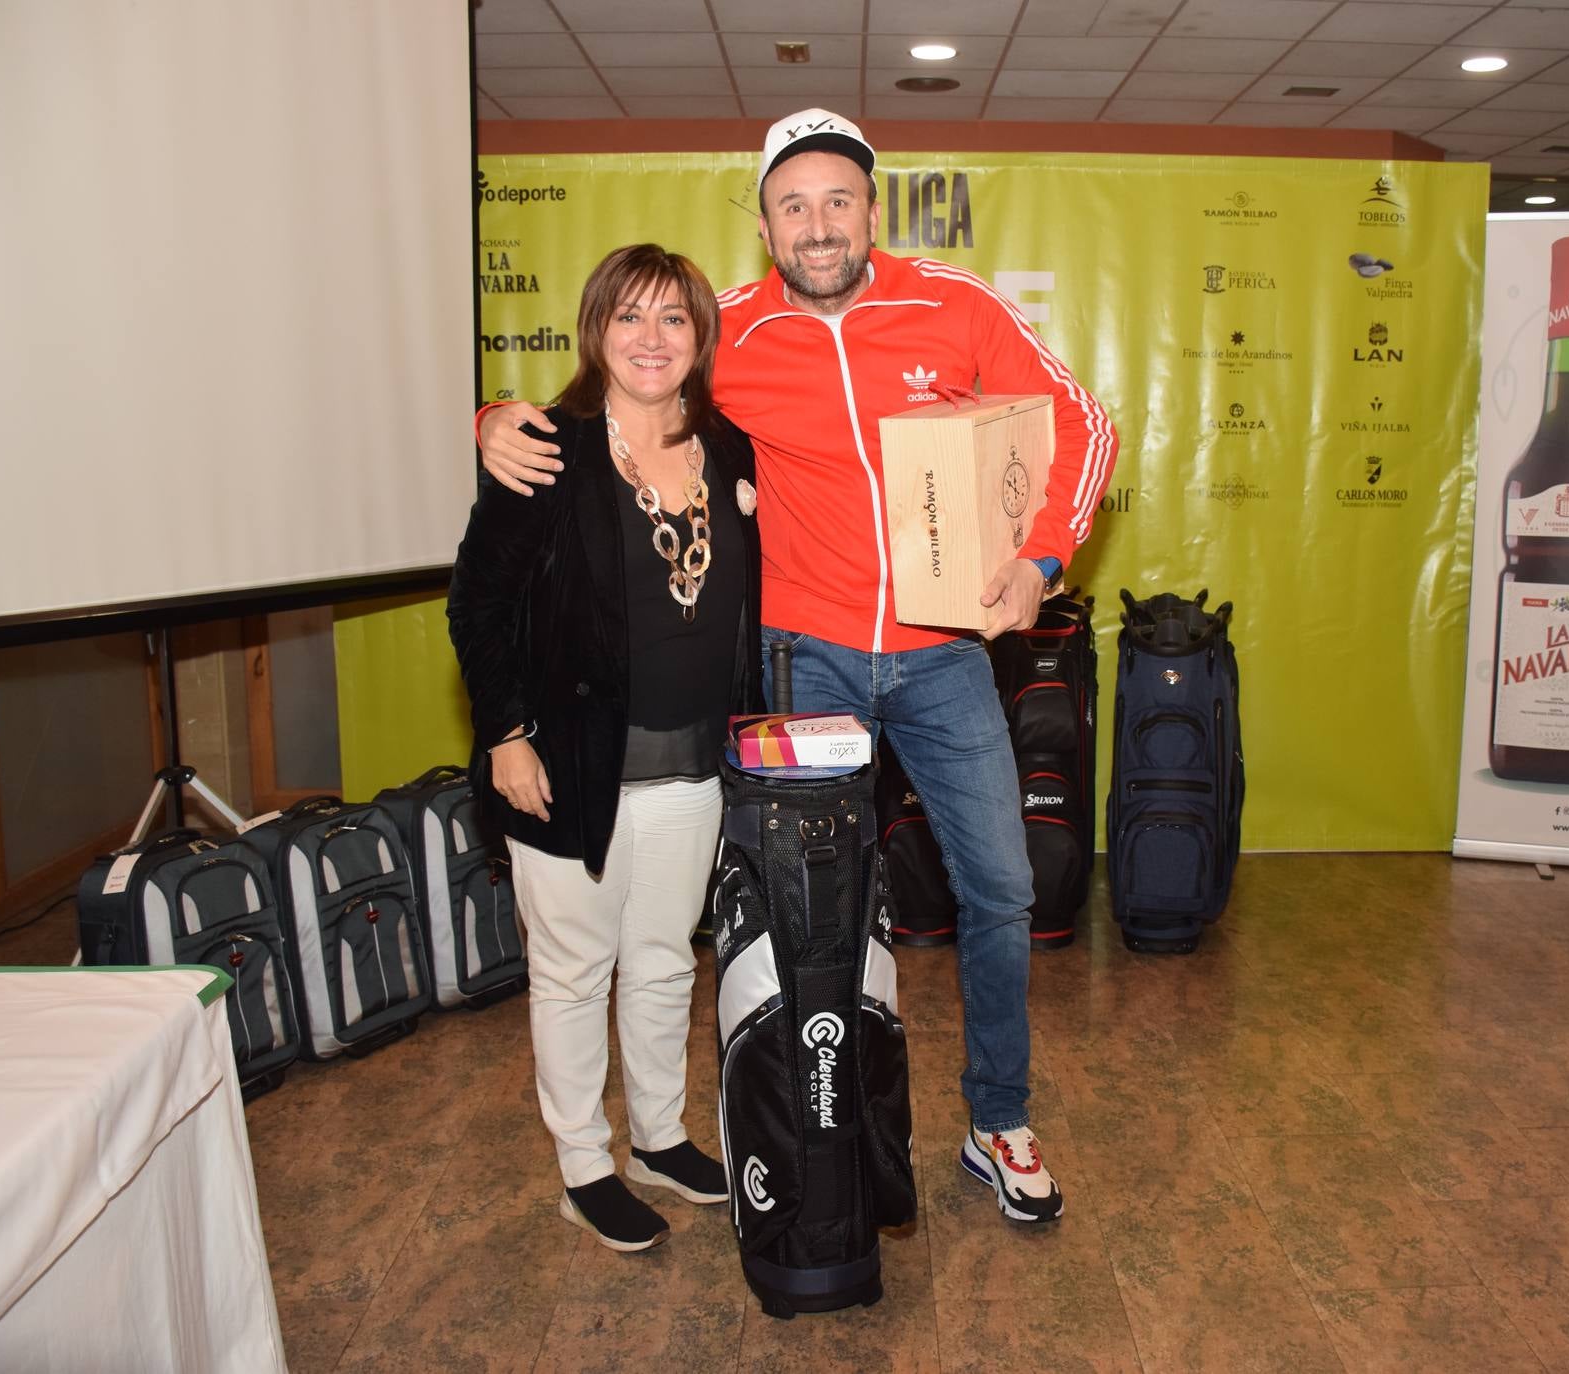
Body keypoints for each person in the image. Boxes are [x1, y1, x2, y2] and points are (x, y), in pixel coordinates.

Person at [477, 111, 1116, 1224]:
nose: (816, 227)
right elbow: (614, 400)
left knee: (1003, 888)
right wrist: (491, 419)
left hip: (943, 659)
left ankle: (996, 1120)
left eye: (836, 202)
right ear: (764, 220)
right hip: (803, 660)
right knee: (812, 907)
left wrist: (1043, 556)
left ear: (872, 209)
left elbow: (1082, 421)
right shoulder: (730, 331)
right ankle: (827, 1114)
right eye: (792, 206)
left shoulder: (951, 304)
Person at [449, 243, 763, 1252]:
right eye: (628, 317)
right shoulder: (548, 446)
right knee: (576, 969)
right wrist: (504, 734)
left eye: (673, 318)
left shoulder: (733, 451)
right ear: (596, 330)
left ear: (700, 336)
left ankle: (660, 1139)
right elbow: (478, 604)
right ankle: (585, 1161)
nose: (651, 339)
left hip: (692, 764)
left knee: (666, 958)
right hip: (567, 764)